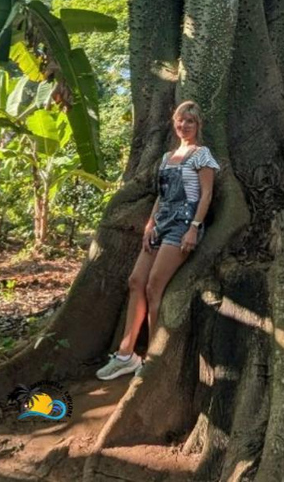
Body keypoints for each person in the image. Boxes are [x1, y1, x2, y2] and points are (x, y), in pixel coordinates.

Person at [96, 101, 220, 380]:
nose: (184, 125)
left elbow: (207, 195)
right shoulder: (166, 157)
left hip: (183, 227)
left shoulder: (202, 155)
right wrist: (150, 225)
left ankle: (152, 358)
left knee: (154, 287)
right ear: (174, 123)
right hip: (160, 225)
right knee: (135, 282)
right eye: (180, 120)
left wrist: (194, 228)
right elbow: (161, 197)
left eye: (190, 121)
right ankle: (126, 354)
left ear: (198, 125)